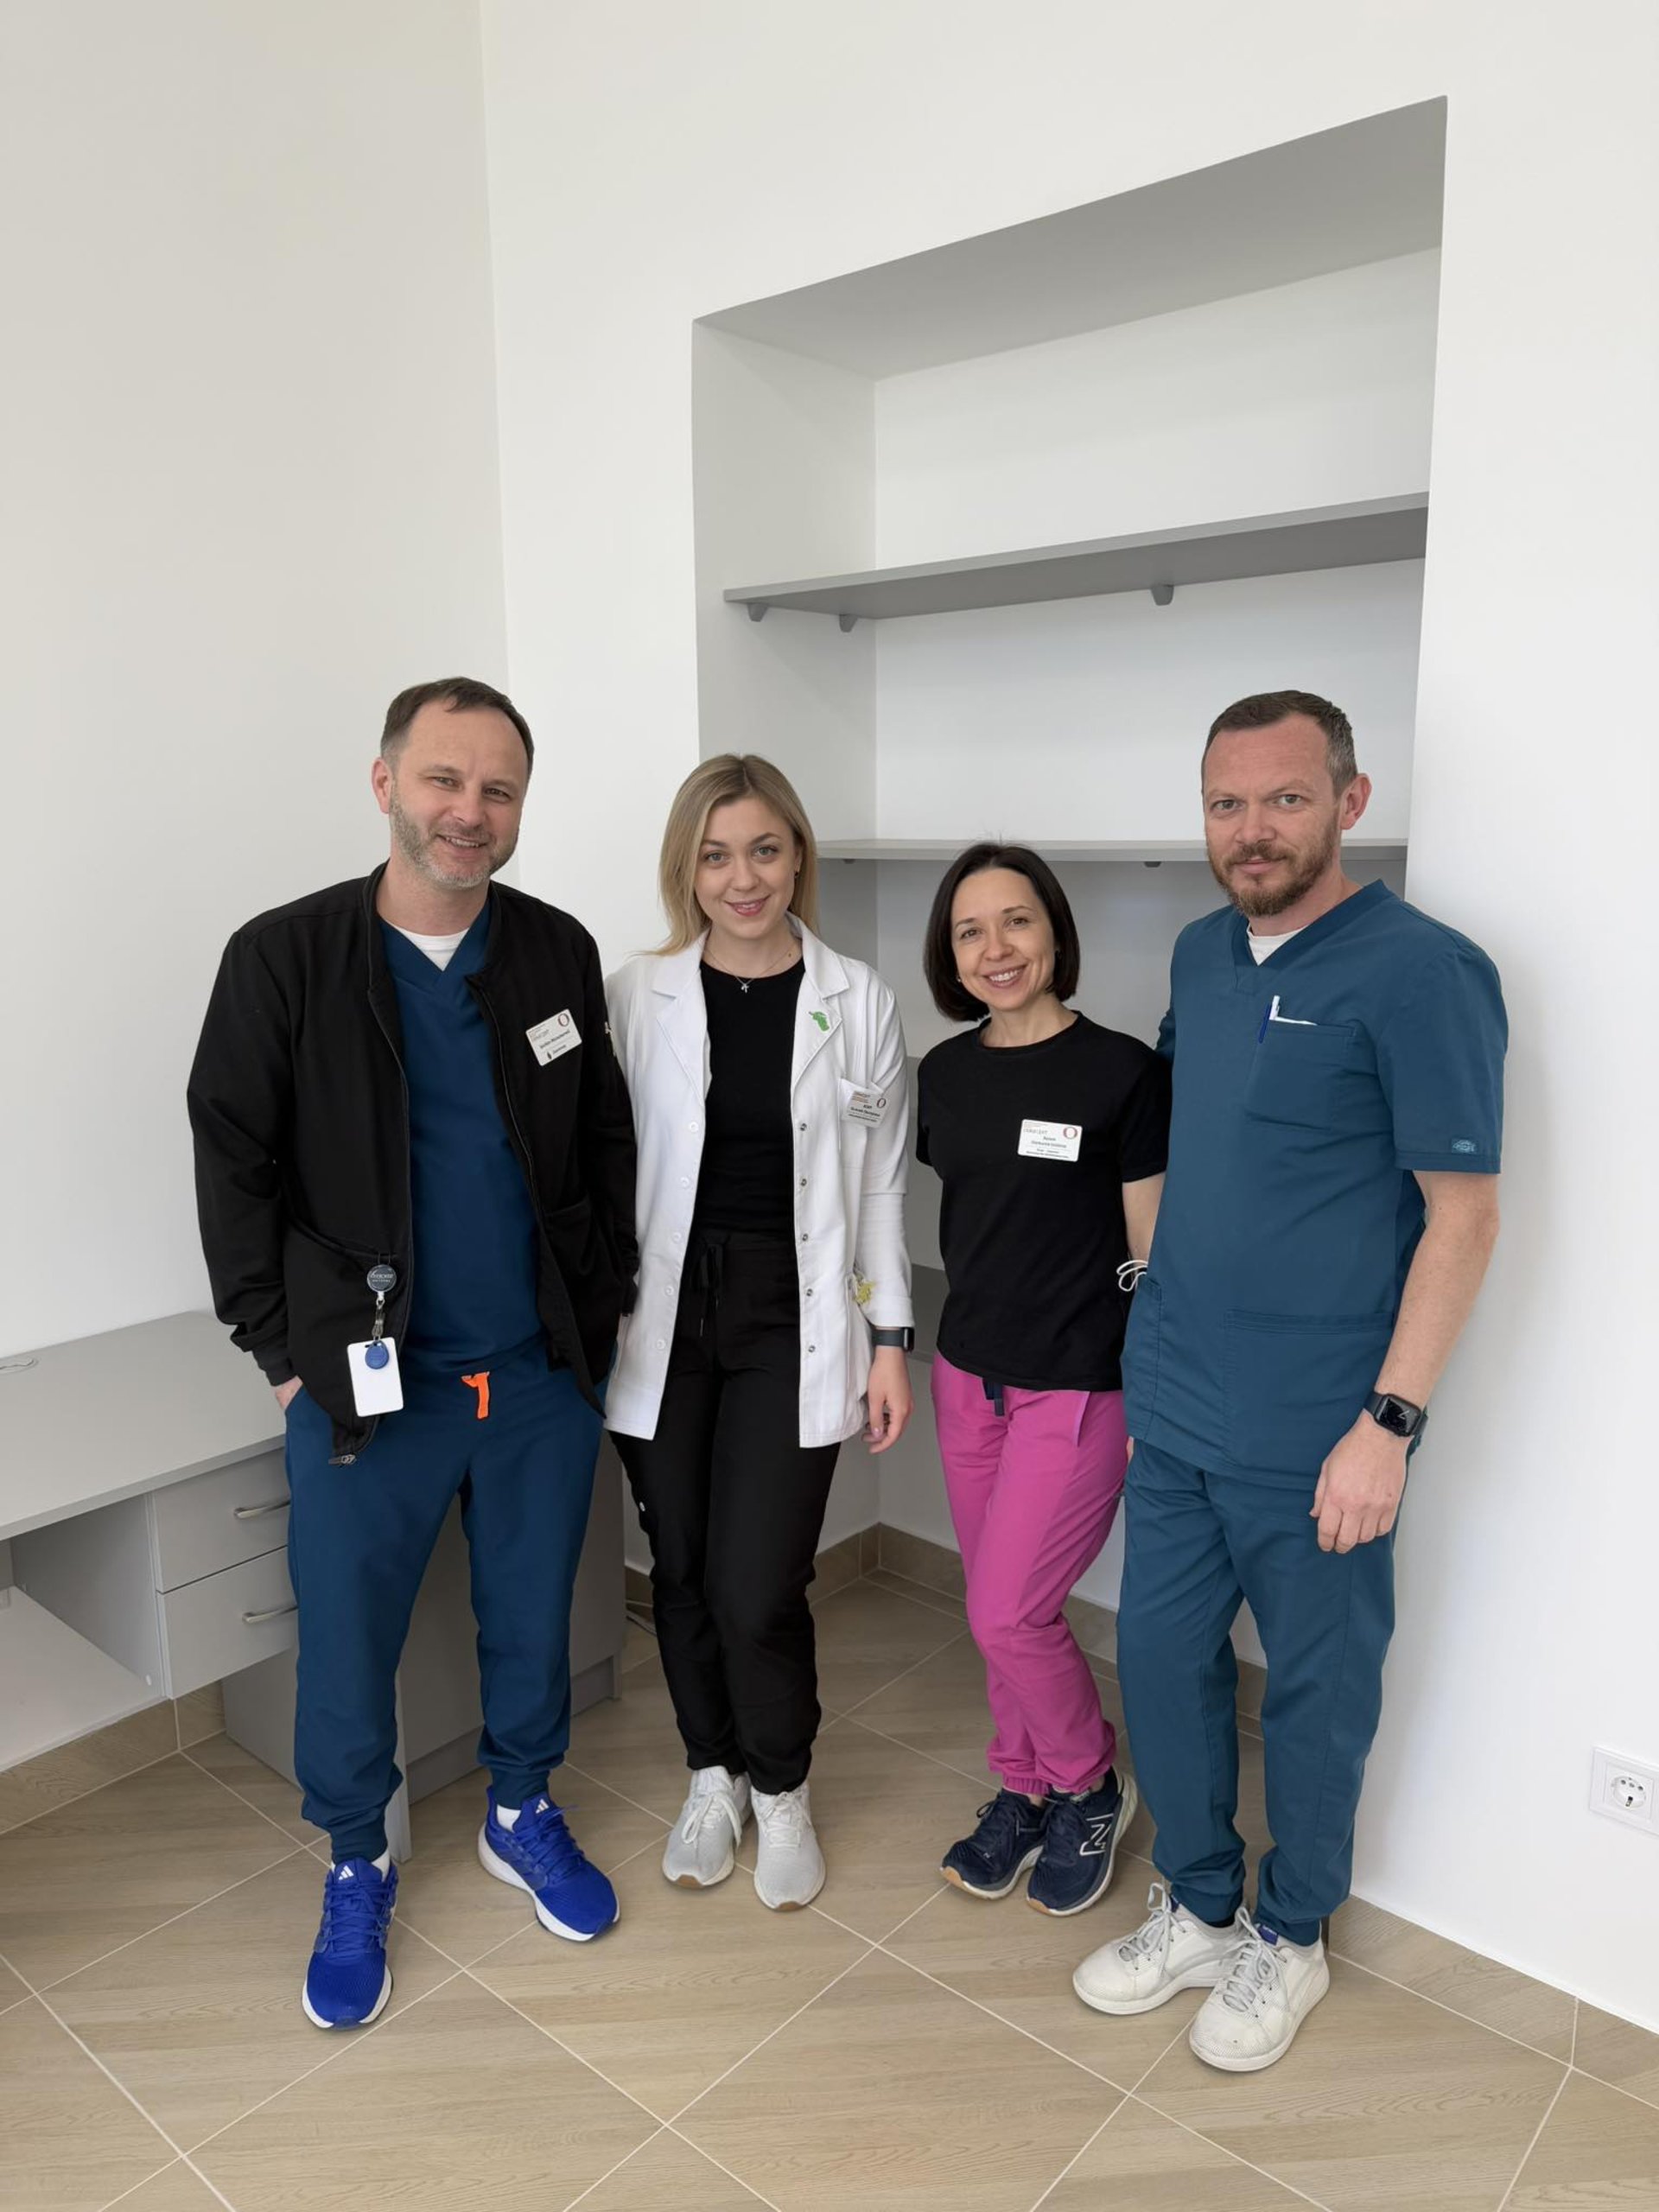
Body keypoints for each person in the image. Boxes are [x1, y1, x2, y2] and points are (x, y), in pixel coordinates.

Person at [188, 677, 637, 2029]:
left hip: (535, 1378)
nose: (470, 811)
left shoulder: (552, 952)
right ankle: (356, 1859)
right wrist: (277, 1349)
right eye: (445, 779)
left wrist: (599, 1307)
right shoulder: (285, 959)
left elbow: (601, 1140)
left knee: (533, 1616)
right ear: (385, 783)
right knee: (346, 1643)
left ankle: (518, 1807)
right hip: (366, 1386)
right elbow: (232, 1159)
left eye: (499, 789)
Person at [1074, 690, 1505, 2071]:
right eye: (1226, 803)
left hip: (1323, 1426)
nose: (1251, 829)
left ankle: (1292, 1933)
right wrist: (1146, 1342)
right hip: (1179, 1401)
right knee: (1160, 1662)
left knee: (1318, 1694)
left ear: (1350, 802)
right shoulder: (1202, 953)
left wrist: (1389, 1425)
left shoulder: (1424, 972)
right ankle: (1200, 1904)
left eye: (1284, 798)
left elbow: (1464, 1216)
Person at [605, 753, 912, 1910]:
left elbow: (880, 1185)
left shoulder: (859, 999)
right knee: (679, 1565)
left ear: (798, 856)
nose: (743, 879)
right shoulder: (637, 994)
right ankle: (712, 1773)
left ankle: (781, 1786)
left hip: (796, 1311)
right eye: (717, 855)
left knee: (758, 1582)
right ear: (687, 867)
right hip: (663, 1312)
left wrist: (891, 1338)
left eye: (765, 850)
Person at [916, 846, 1168, 1916]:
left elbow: (1153, 1253)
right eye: (971, 930)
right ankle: (1023, 1786)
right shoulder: (944, 1073)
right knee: (994, 1605)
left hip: (1077, 1385)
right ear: (951, 955)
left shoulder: (1123, 1073)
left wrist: (1154, 1391)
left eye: (1016, 921)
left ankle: (1091, 1782)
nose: (997, 948)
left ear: (1055, 932)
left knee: (1009, 1611)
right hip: (967, 1376)